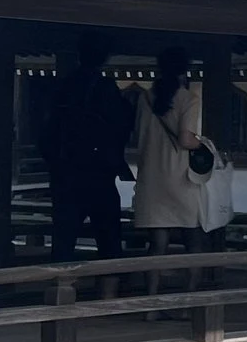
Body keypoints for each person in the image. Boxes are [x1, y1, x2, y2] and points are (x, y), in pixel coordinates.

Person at [39, 35, 136, 262]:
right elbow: (122, 124)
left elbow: (45, 132)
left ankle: (59, 287)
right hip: (99, 171)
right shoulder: (105, 88)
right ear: (105, 59)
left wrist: (55, 161)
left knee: (63, 237)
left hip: (65, 171)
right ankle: (109, 292)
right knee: (109, 238)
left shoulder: (62, 88)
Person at [133, 46, 205, 263]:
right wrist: (203, 145)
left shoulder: (145, 98)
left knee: (156, 247)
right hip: (181, 178)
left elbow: (138, 135)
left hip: (151, 179)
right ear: (184, 71)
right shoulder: (188, 99)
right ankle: (191, 292)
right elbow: (186, 140)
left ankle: (152, 293)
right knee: (193, 244)